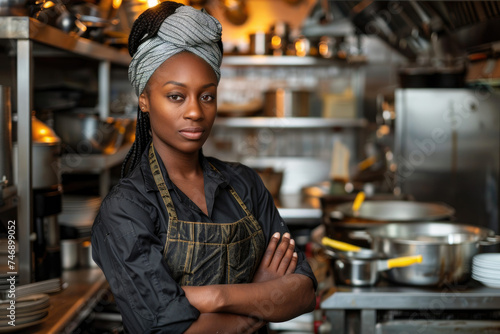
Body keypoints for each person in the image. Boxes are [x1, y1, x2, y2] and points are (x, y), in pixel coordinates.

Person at [91, 2, 317, 333]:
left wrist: (214, 298)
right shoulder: (125, 210)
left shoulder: (244, 185)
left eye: (207, 96)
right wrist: (260, 300)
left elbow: (304, 292)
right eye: (176, 97)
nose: (195, 112)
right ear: (144, 99)